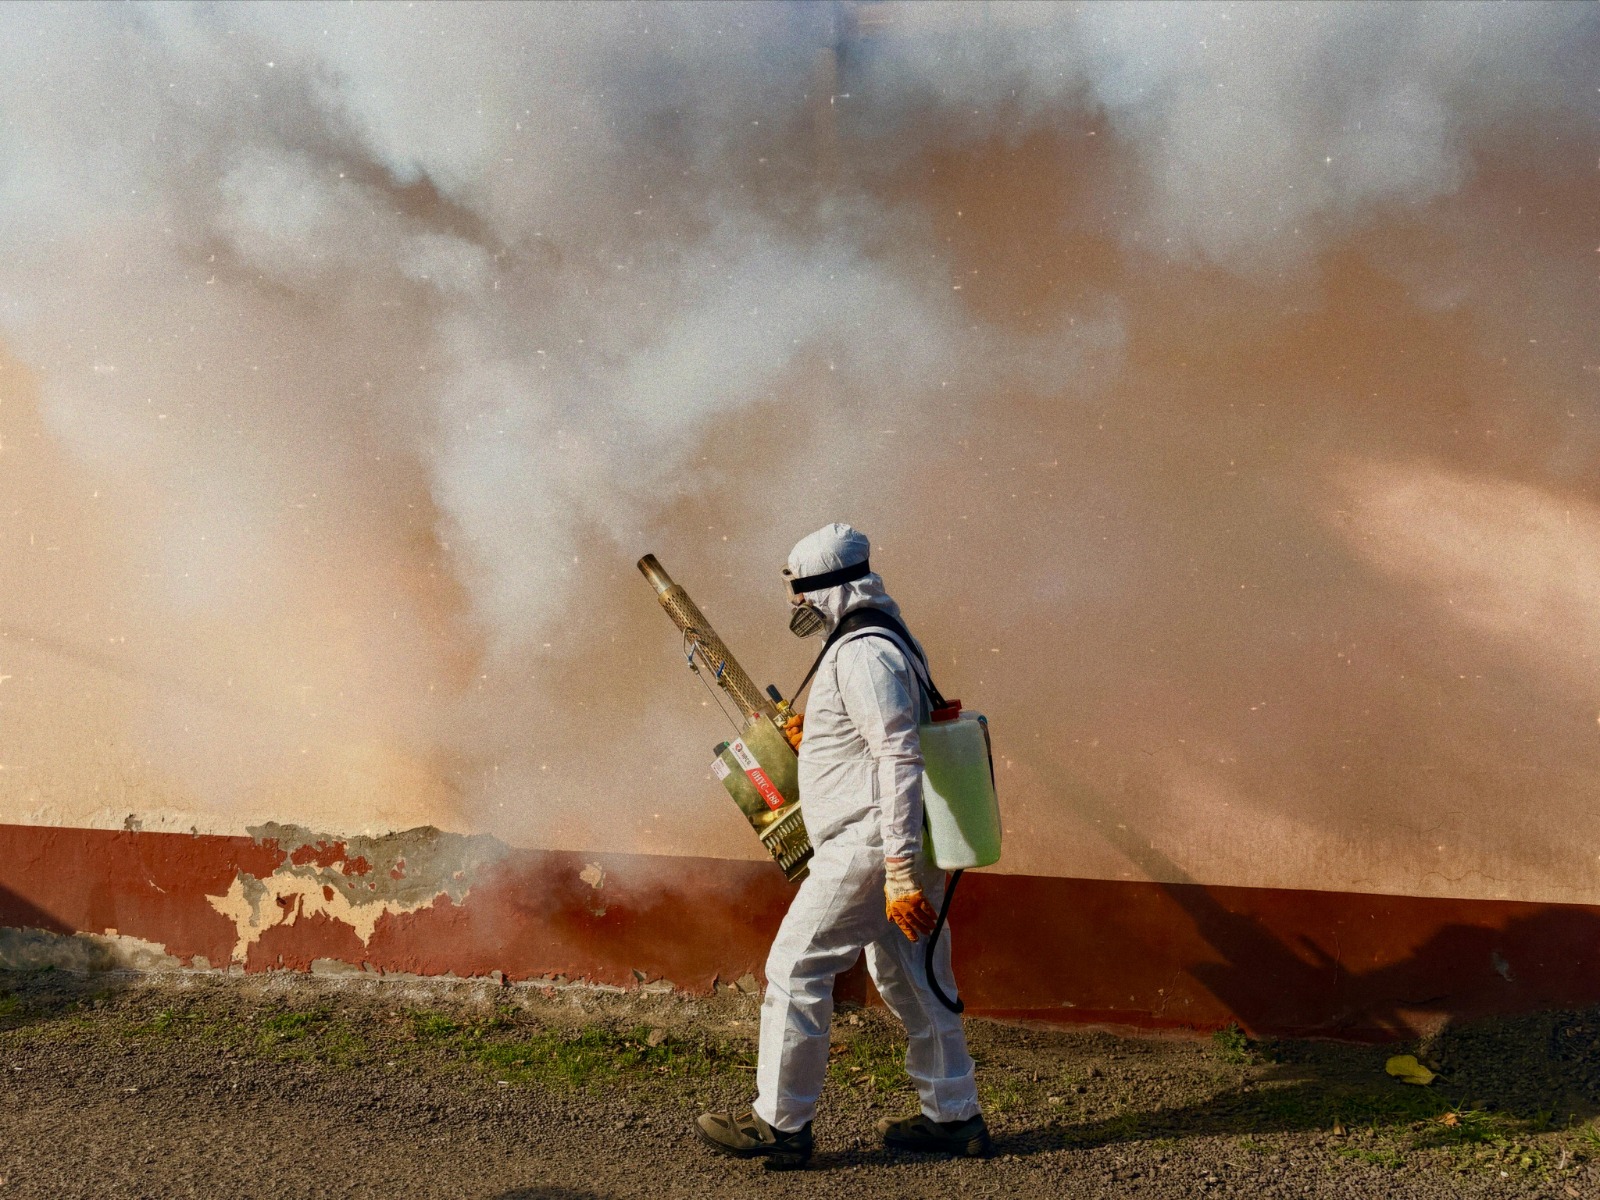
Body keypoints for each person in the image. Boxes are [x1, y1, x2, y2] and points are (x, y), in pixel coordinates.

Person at [696, 522, 988, 1169]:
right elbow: (873, 740)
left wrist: (899, 873)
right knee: (915, 981)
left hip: (870, 845)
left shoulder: (862, 653)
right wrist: (819, 736)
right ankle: (954, 1117)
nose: (797, 605)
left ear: (831, 588)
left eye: (802, 592)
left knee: (796, 967)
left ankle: (781, 1124)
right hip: (895, 840)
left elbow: (898, 755)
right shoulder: (880, 638)